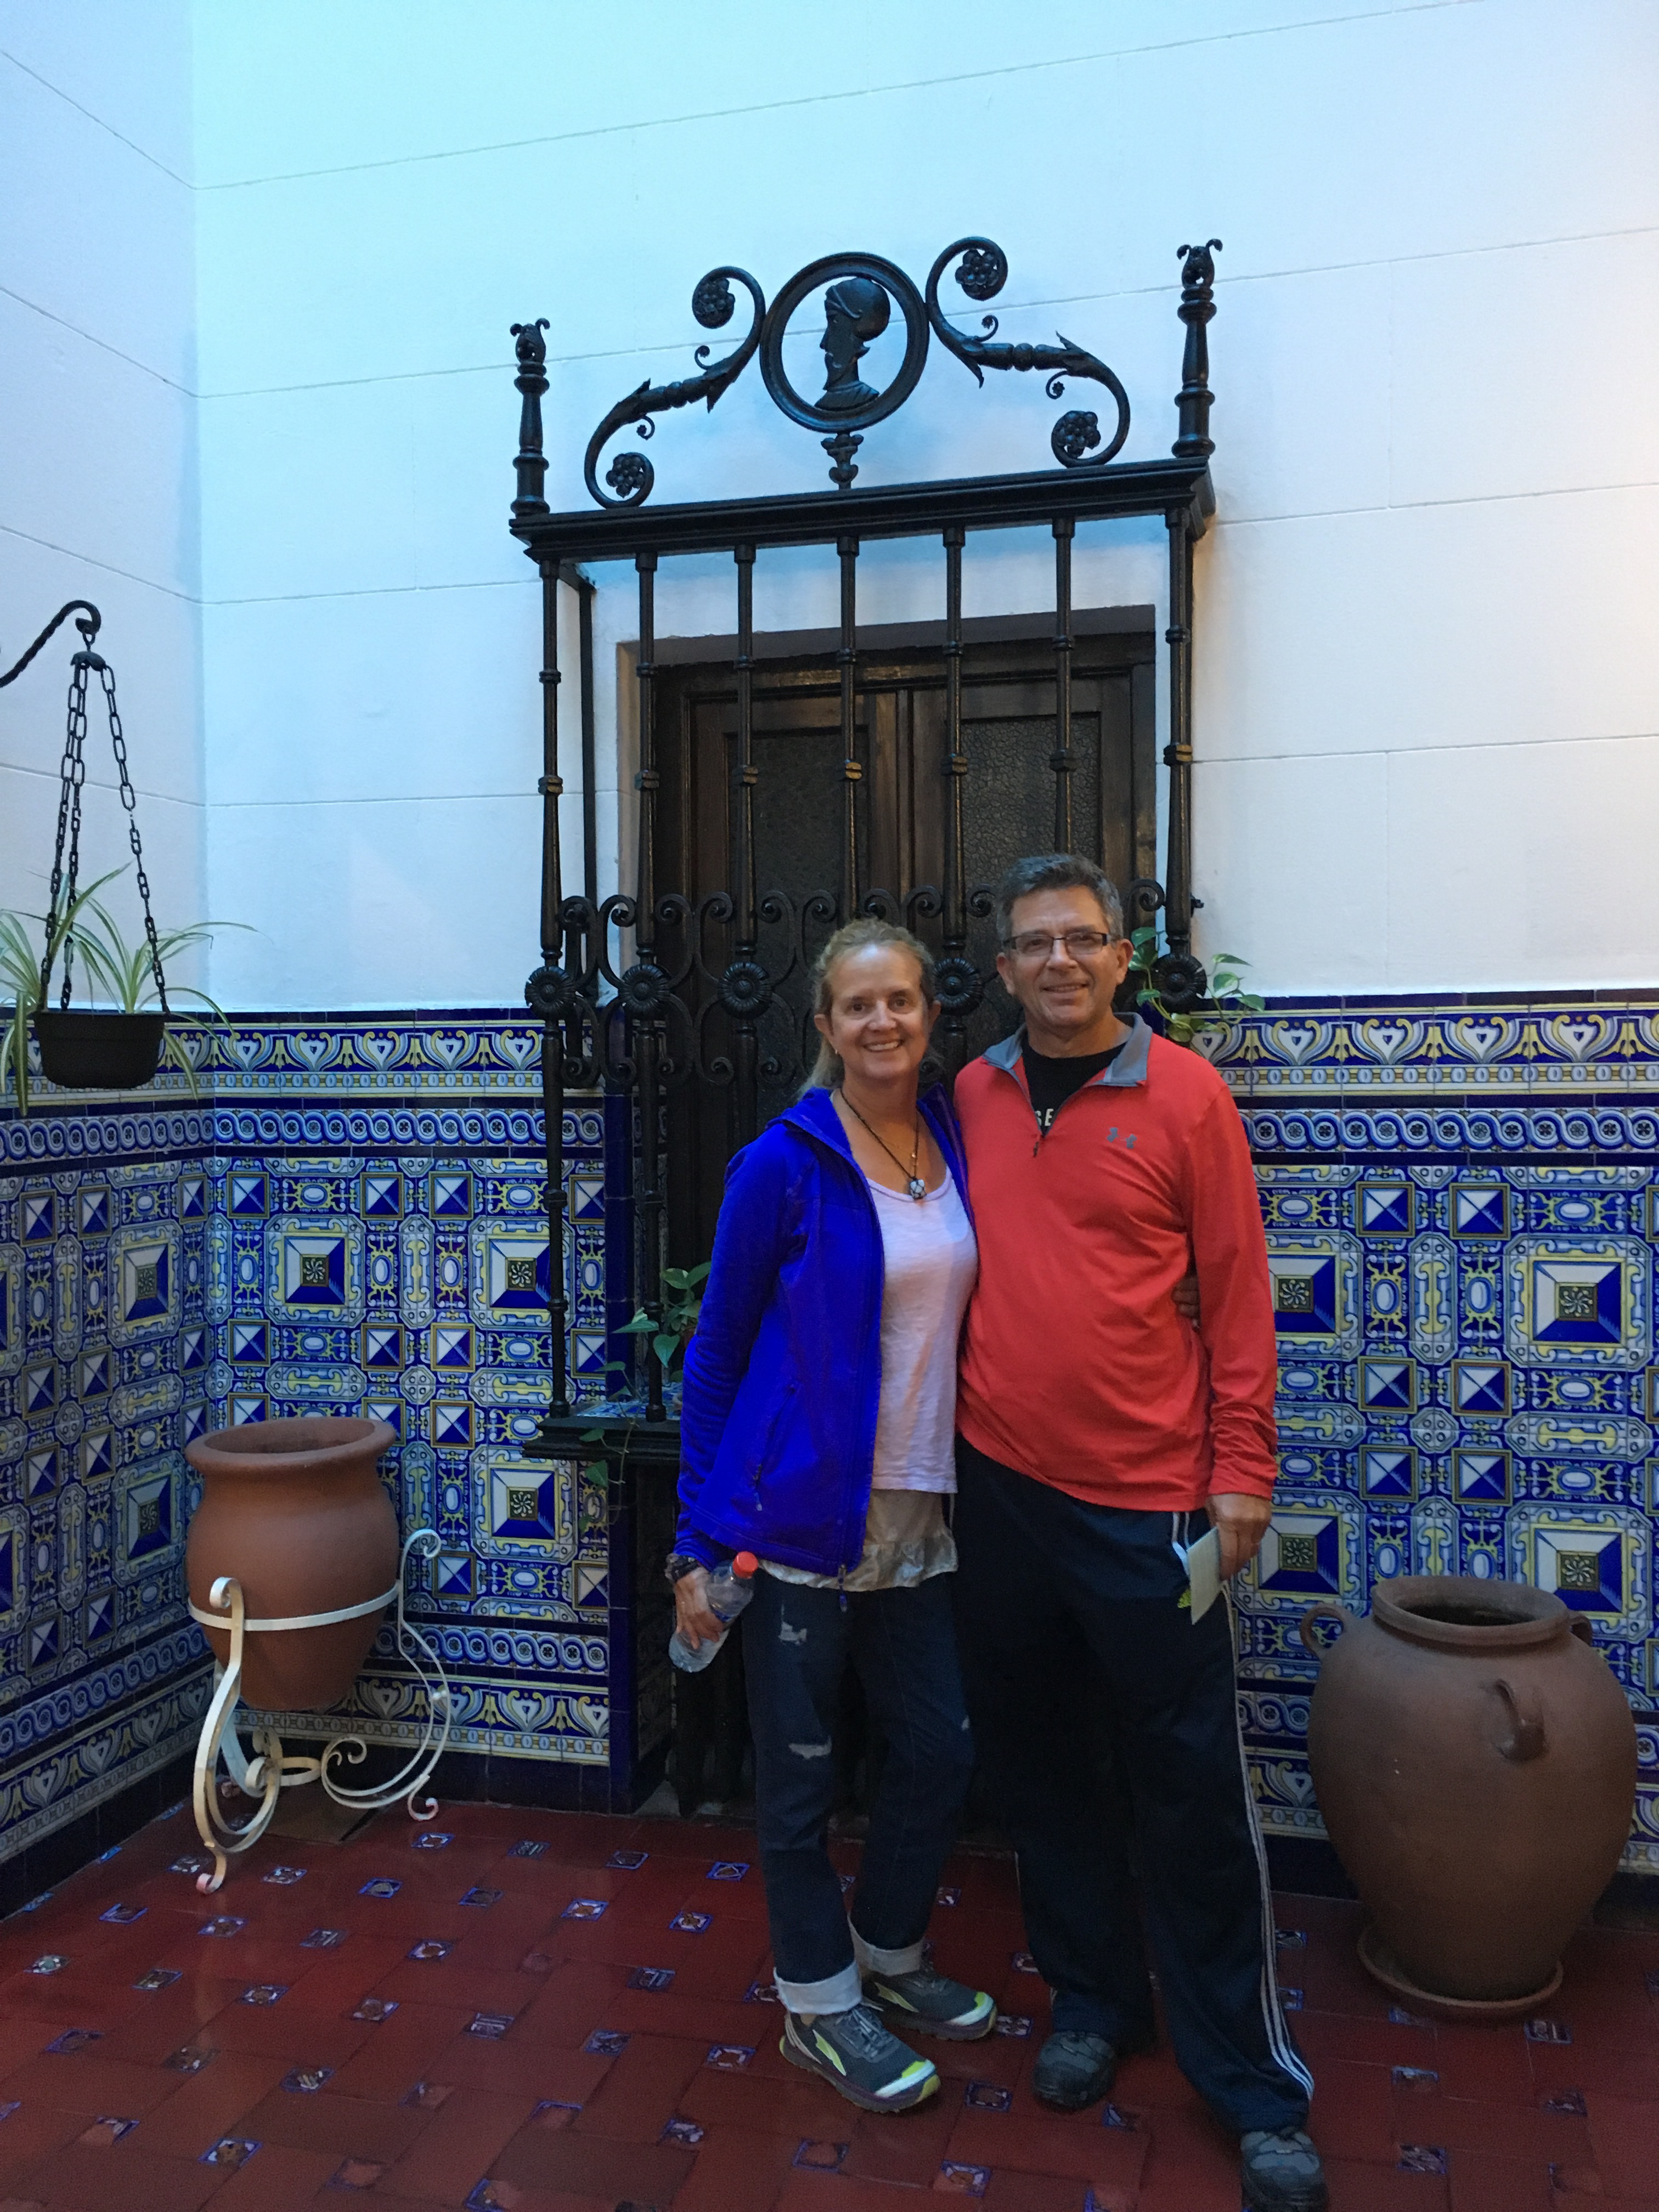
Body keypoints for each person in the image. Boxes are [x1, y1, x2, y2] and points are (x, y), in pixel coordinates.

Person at [951, 854, 1328, 2212]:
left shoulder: (1186, 1096)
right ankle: (1096, 2003)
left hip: (1153, 1506)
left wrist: (1244, 1475)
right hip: (1001, 1493)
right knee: (1045, 1769)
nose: (1059, 961)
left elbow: (1237, 1295)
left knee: (1191, 1790)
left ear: (1123, 956)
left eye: (1083, 938)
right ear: (1004, 969)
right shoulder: (973, 1094)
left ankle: (1253, 2084)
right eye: (1034, 942)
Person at [668, 918, 994, 2115]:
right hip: (794, 1519)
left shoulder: (952, 1139)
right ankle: (816, 2006)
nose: (882, 1021)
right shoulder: (783, 1163)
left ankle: (888, 1953)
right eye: (859, 1006)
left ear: (929, 1014)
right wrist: (696, 1540)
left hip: (917, 1511)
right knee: (800, 1777)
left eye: (900, 1000)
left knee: (939, 1748)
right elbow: (715, 1352)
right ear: (826, 1025)